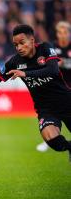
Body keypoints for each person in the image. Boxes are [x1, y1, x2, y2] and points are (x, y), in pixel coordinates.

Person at [0, 24, 71, 162]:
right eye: (16, 45)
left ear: (32, 41)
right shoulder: (14, 62)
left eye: (22, 43)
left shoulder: (45, 48)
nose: (19, 48)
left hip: (66, 102)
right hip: (46, 110)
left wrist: (25, 73)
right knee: (51, 139)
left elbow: (52, 70)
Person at [36, 21, 71, 152]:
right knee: (52, 117)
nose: (62, 35)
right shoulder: (51, 48)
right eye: (60, 32)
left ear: (69, 34)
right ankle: (49, 141)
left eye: (65, 32)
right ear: (57, 34)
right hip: (55, 89)